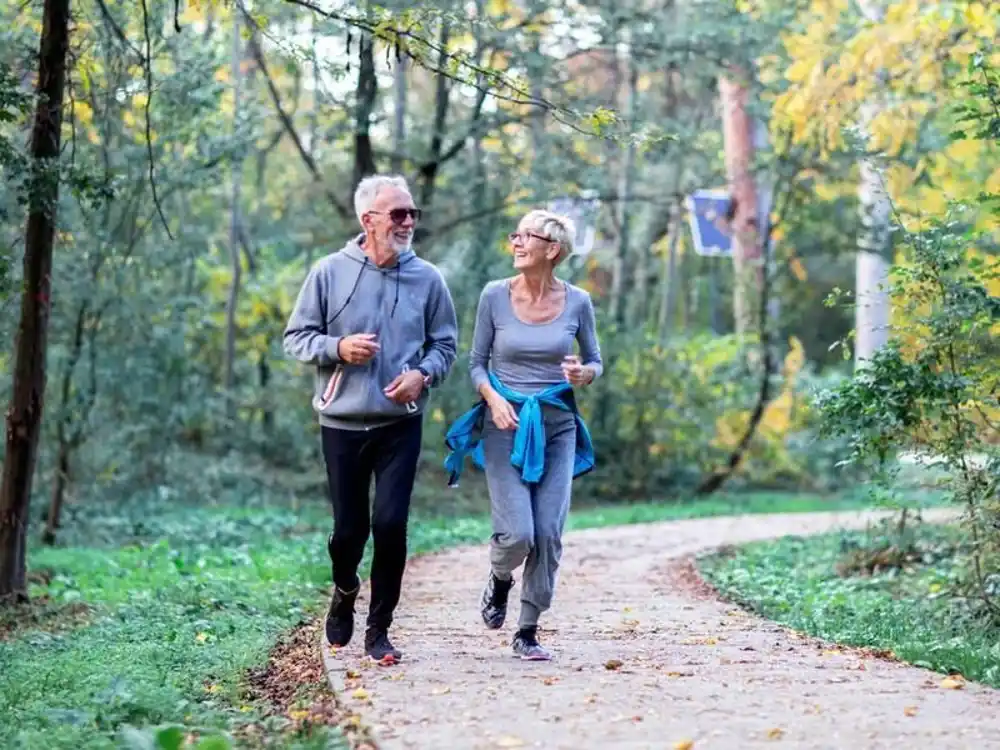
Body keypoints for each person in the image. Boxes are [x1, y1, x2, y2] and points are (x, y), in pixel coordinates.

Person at [283, 174, 458, 663]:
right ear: (368, 220)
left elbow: (445, 345)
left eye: (412, 213)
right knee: (348, 533)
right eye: (398, 214)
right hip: (341, 421)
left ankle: (379, 629)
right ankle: (344, 591)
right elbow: (296, 338)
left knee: (391, 523)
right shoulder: (328, 272)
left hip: (399, 422)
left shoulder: (428, 279)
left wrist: (422, 375)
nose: (408, 222)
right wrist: (337, 348)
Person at [444, 209, 602, 661]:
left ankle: (528, 629)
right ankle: (499, 578)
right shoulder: (494, 296)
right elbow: (476, 363)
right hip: (503, 424)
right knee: (518, 535)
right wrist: (493, 401)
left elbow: (594, 361)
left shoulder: (578, 302)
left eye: (526, 237)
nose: (516, 242)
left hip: (557, 425)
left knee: (548, 533)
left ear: (551, 250)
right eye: (515, 235)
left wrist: (583, 374)